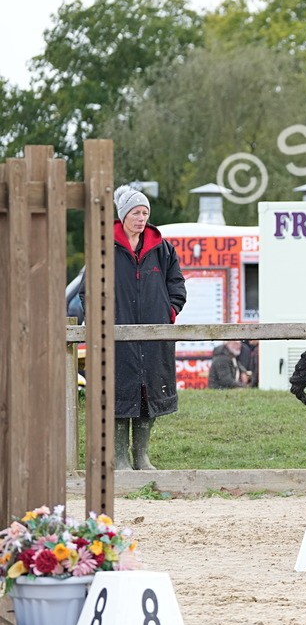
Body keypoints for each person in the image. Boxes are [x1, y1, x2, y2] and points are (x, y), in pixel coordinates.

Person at [112, 186, 186, 470]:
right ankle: (119, 459)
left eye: (145, 212)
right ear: (123, 215)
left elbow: (176, 286)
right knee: (120, 393)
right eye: (135, 212)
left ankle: (141, 456)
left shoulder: (163, 249)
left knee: (148, 393)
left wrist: (168, 312)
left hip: (155, 338)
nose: (141, 218)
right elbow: (89, 292)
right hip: (118, 338)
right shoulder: (105, 249)